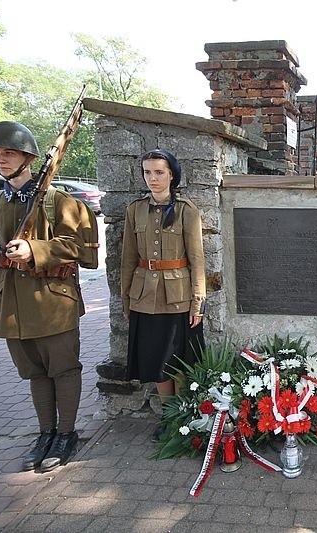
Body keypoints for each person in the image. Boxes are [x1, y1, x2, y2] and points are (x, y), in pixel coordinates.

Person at [0, 121, 85, 473]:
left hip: (53, 301)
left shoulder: (58, 202)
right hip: (13, 306)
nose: (1, 159)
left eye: (9, 153)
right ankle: (46, 432)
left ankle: (66, 433)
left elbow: (76, 247)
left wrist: (34, 249)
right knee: (35, 372)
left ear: (28, 157)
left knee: (63, 369)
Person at [121, 149, 206, 441]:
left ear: (171, 174)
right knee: (158, 362)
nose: (152, 178)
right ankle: (169, 417)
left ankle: (183, 415)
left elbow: (197, 260)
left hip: (178, 296)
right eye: (147, 172)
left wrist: (198, 302)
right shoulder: (135, 210)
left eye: (159, 172)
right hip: (145, 296)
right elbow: (128, 259)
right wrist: (126, 300)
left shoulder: (186, 210)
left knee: (178, 361)